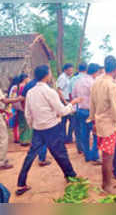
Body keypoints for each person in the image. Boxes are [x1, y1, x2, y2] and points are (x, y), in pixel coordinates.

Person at [16, 65, 82, 196]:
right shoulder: (49, 92)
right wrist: (72, 103)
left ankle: (21, 183)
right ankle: (71, 176)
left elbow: (27, 113)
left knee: (30, 156)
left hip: (38, 128)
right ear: (47, 75)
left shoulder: (31, 92)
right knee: (60, 153)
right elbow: (62, 111)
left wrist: (33, 125)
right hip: (51, 128)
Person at [89, 55, 116, 193]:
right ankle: (107, 185)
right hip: (108, 126)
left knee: (105, 155)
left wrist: (93, 121)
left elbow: (92, 104)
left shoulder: (96, 82)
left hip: (99, 123)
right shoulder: (111, 85)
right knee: (108, 158)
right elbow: (115, 108)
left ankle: (106, 183)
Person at [72, 63, 101, 164]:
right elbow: (96, 99)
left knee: (84, 133)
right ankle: (94, 155)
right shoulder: (93, 82)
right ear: (95, 72)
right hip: (90, 111)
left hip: (80, 110)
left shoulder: (78, 81)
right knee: (96, 133)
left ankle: (87, 154)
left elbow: (74, 95)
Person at [20, 77, 51, 166]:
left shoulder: (29, 85)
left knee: (37, 137)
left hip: (32, 113)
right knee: (44, 138)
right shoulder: (44, 87)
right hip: (43, 115)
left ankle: (37, 156)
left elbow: (23, 97)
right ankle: (41, 158)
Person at [70, 63, 88, 154]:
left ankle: (79, 147)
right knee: (86, 129)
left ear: (78, 69)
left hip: (76, 107)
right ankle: (86, 149)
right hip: (87, 108)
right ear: (87, 69)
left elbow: (71, 94)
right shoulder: (89, 79)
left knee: (77, 128)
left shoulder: (73, 79)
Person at [56, 63, 75, 144]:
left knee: (70, 120)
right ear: (65, 70)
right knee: (66, 120)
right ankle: (64, 138)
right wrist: (64, 101)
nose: (72, 71)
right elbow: (59, 90)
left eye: (72, 69)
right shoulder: (62, 78)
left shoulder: (68, 78)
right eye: (70, 69)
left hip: (68, 100)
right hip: (65, 100)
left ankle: (67, 137)